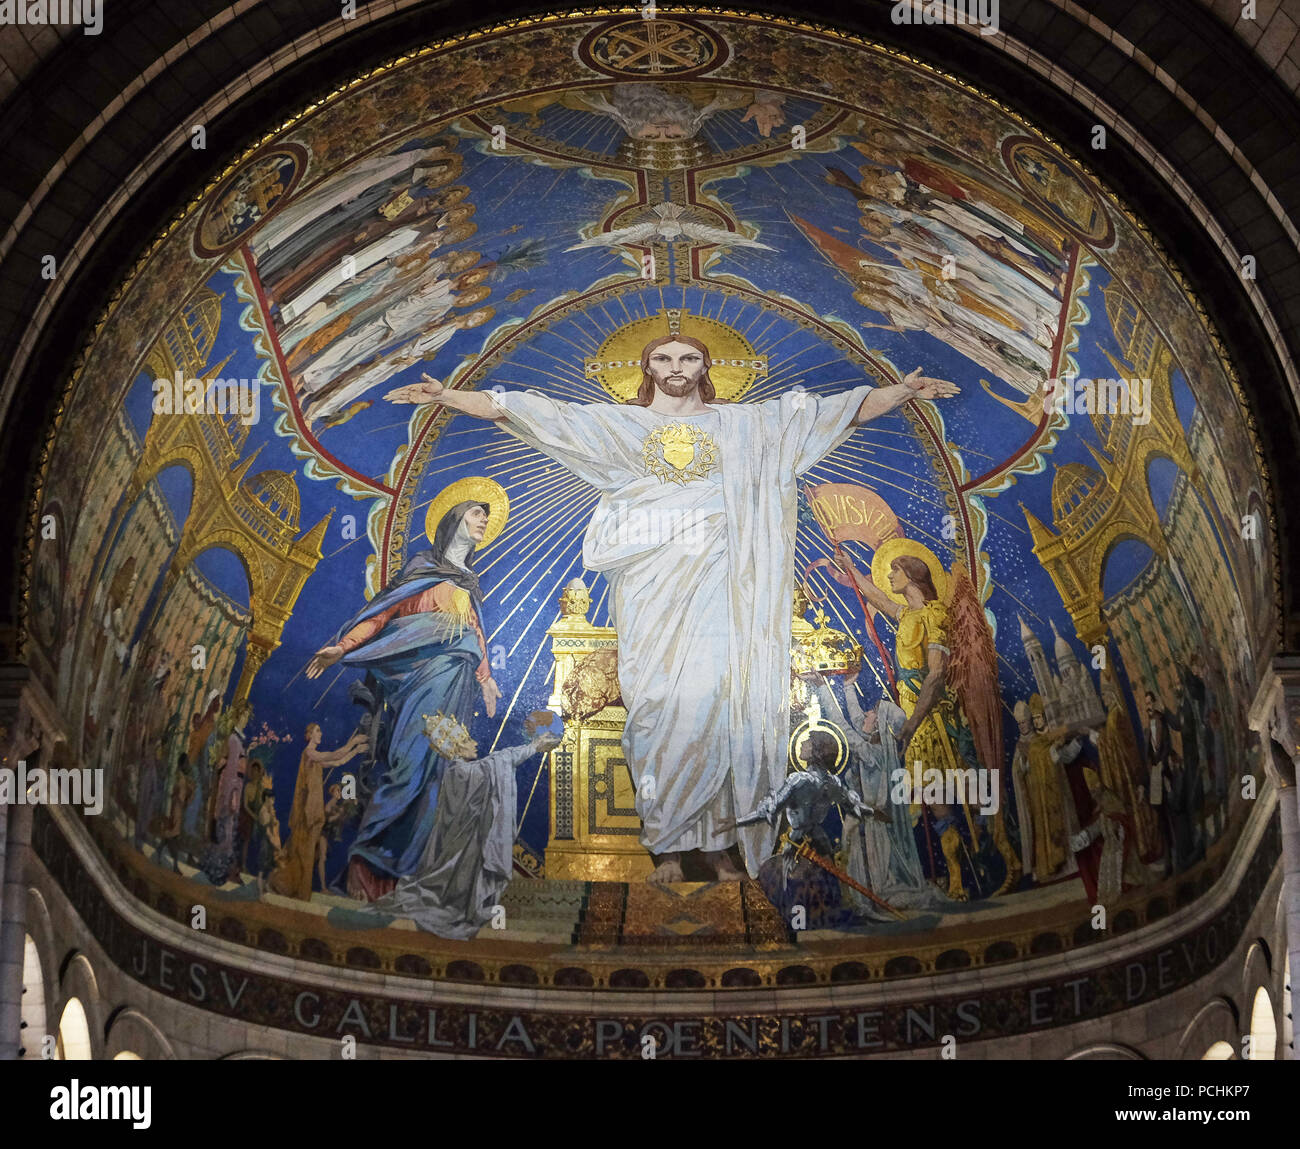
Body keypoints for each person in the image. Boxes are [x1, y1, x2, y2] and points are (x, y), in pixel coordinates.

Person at [386, 335, 959, 882]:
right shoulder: (622, 425)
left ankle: (719, 846)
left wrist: (901, 393)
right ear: (649, 369)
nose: (676, 366)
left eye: (689, 357)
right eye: (664, 358)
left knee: (716, 702)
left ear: (707, 368)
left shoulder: (745, 426)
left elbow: (835, 413)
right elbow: (537, 413)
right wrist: (446, 397)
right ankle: (667, 845)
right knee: (656, 705)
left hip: (721, 585)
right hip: (649, 586)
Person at [305, 502, 503, 900]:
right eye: (476, 514)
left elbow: (474, 633)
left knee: (438, 777)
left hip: (455, 686)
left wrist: (486, 678)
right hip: (419, 683)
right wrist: (342, 647)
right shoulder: (421, 569)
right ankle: (368, 869)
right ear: (453, 520)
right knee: (409, 768)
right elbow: (381, 616)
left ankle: (410, 878)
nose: (484, 520)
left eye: (486, 516)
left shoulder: (469, 582)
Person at [346, 713, 561, 938]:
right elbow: (500, 762)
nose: (476, 743)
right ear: (456, 747)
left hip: (465, 847)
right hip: (463, 851)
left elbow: (493, 765)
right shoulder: (460, 772)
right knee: (455, 900)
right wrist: (534, 746)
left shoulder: (458, 772)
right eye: (468, 741)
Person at [269, 725, 368, 901]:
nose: (321, 733)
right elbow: (334, 755)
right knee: (305, 853)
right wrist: (353, 742)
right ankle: (297, 891)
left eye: (321, 731)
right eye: (317, 731)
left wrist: (356, 751)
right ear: (309, 735)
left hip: (314, 812)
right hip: (308, 813)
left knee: (307, 853)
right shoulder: (309, 754)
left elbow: (338, 762)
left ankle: (297, 889)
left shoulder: (315, 759)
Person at [155, 753, 195, 872]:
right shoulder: (181, 778)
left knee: (171, 836)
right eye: (186, 762)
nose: (188, 765)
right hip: (177, 809)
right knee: (174, 836)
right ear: (183, 764)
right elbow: (181, 798)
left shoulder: (180, 776)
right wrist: (190, 792)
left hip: (176, 808)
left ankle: (160, 850)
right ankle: (175, 866)